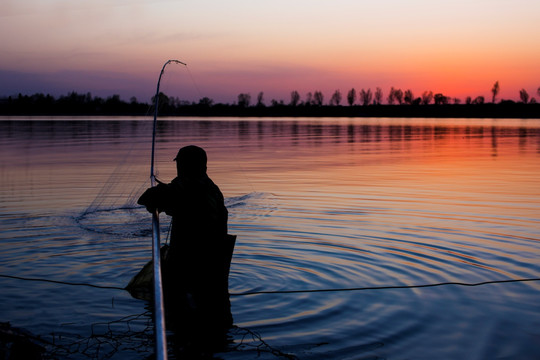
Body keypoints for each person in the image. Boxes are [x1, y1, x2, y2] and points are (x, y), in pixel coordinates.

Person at [137, 145, 234, 347]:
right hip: (213, 269)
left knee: (184, 331)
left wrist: (164, 192)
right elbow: (186, 207)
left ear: (184, 166)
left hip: (190, 268)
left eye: (180, 164)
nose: (178, 168)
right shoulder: (212, 189)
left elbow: (146, 199)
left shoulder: (184, 188)